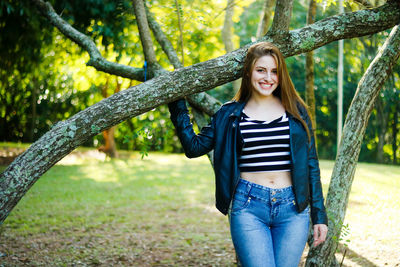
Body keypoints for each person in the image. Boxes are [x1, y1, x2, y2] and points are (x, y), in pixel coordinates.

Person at [168, 42, 328, 267]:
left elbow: (311, 164)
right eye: (261, 70)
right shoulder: (229, 114)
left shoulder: (296, 111)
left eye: (274, 71)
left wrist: (319, 216)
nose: (268, 77)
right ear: (248, 72)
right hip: (249, 207)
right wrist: (177, 103)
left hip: (293, 209)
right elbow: (194, 147)